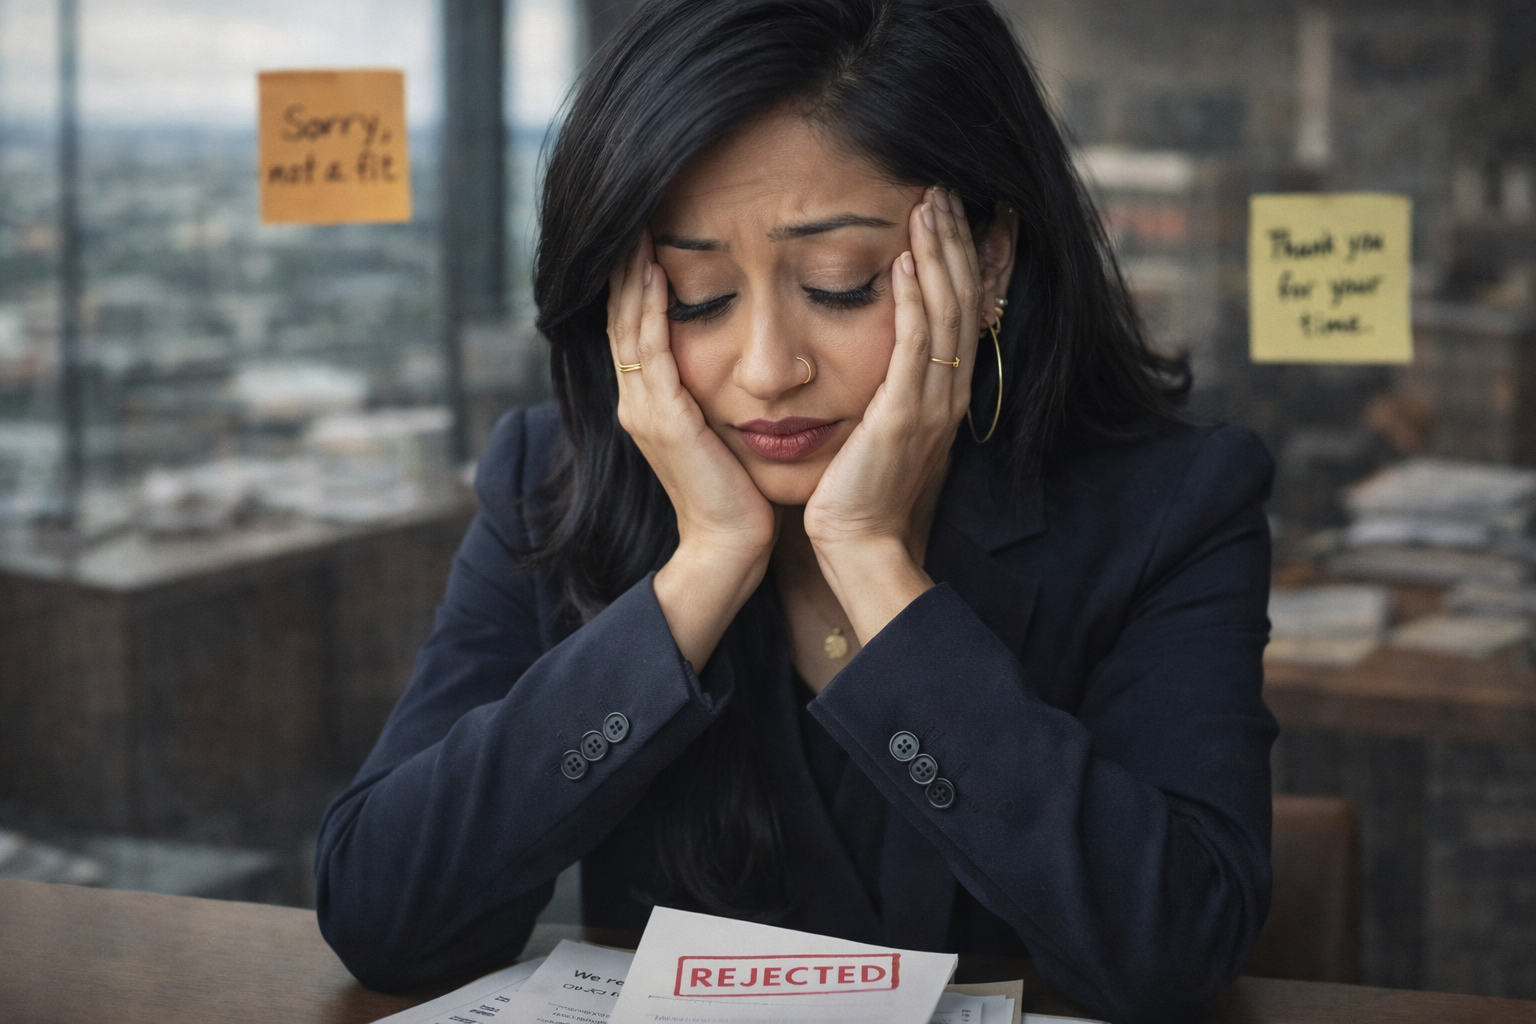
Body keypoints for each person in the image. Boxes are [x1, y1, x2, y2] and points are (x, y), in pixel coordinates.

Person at [315, 2, 1276, 1021]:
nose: (770, 369)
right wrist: (704, 568)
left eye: (841, 285)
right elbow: (384, 918)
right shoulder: (551, 477)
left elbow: (1175, 945)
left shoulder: (1173, 507)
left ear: (986, 261)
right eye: (696, 297)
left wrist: (871, 562)